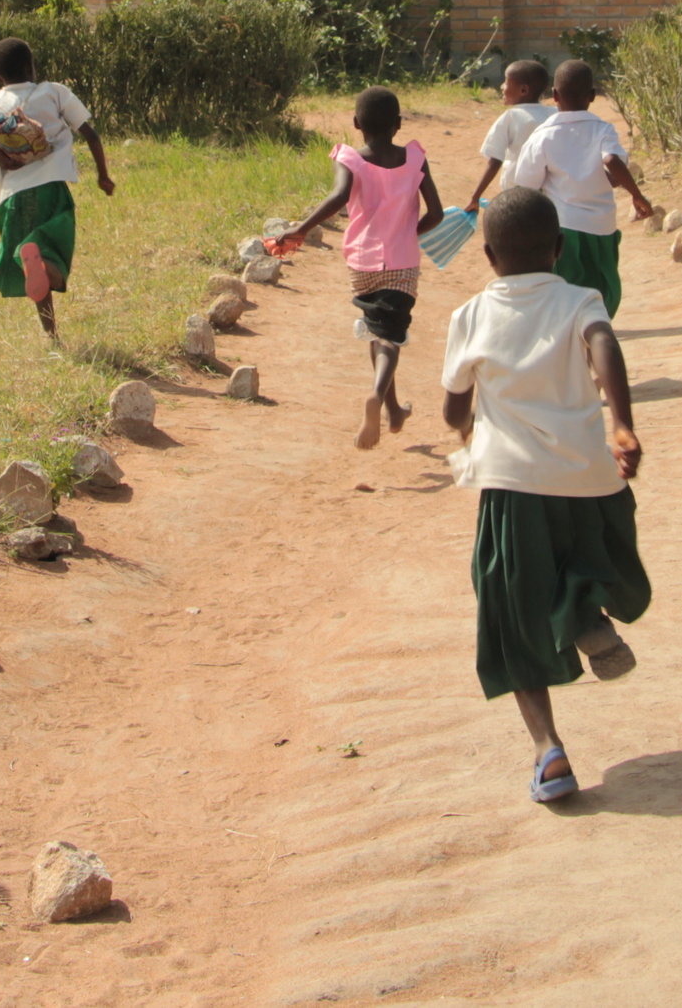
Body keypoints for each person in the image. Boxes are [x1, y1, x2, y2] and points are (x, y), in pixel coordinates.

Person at [441, 186, 647, 806]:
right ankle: (585, 614)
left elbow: (454, 406)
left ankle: (548, 751)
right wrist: (620, 421)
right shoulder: (581, 299)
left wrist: (463, 421)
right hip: (588, 479)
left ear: (487, 256)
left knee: (509, 609)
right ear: (558, 249)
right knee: (578, 558)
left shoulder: (469, 317)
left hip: (510, 485)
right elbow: (604, 344)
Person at [276, 86, 444, 449]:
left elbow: (338, 197)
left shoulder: (349, 158)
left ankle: (394, 410)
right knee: (390, 335)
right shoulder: (415, 158)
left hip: (362, 263)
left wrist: (300, 229)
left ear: (356, 123)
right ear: (399, 124)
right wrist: (406, 233)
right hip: (401, 262)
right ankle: (376, 394)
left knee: (377, 328)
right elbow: (437, 214)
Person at [0, 37, 116, 341]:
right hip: (52, 191)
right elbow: (91, 134)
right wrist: (103, 176)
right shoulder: (54, 92)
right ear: (32, 67)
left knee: (29, 264)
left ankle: (51, 335)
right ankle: (43, 267)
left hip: (13, 197)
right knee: (54, 257)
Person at [510, 60, 654, 317]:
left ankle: (570, 327)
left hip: (563, 226)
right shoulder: (603, 129)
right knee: (603, 282)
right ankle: (598, 323)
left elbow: (527, 185)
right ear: (592, 96)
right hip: (601, 225)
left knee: (567, 283)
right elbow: (612, 163)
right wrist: (637, 195)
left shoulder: (543, 135)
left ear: (554, 96)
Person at [462, 59, 556, 216]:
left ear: (523, 90)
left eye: (506, 83)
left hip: (517, 194)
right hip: (550, 195)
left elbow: (494, 161)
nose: (501, 87)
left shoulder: (511, 117)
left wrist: (475, 197)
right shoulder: (554, 114)